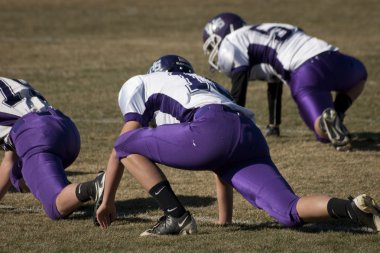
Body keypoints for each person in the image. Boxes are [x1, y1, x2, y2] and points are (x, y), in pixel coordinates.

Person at [94, 55, 379, 236]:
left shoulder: (142, 82)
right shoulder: (210, 85)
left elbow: (123, 144)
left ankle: (176, 217)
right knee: (289, 210)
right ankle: (352, 208)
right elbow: (222, 161)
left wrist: (107, 201)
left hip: (210, 128)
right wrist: (224, 221)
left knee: (125, 144)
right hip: (248, 135)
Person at [202, 13, 368, 150]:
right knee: (359, 76)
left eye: (213, 45)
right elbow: (273, 77)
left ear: (225, 32)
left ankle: (325, 125)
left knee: (322, 132)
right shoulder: (265, 29)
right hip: (331, 56)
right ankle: (337, 114)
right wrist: (274, 125)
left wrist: (234, 122)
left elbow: (240, 80)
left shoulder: (231, 41)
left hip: (304, 73)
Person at [0, 77, 105, 221]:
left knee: (55, 207)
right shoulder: (11, 81)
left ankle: (93, 186)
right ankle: (66, 190)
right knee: (17, 175)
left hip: (35, 135)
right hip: (65, 128)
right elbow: (10, 161)